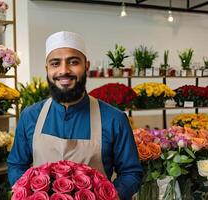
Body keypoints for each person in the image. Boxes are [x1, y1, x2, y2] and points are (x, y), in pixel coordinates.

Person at [7, 31, 143, 199]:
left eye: (73, 62)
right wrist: (27, 193)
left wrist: (110, 196)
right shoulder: (30, 116)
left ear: (86, 66)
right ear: (47, 69)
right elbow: (16, 164)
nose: (64, 70)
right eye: (55, 63)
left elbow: (131, 172)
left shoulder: (114, 119)